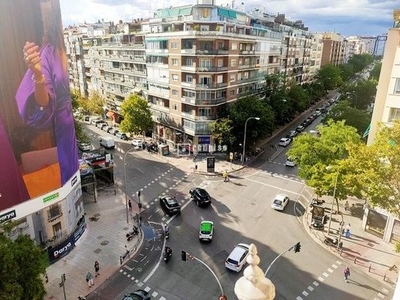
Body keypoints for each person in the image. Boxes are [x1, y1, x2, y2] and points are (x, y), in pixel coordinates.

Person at [15, 0, 78, 194]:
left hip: (74, 133)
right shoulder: (48, 53)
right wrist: (38, 75)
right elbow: (43, 106)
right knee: (69, 187)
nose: (46, 7)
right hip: (64, 134)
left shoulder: (70, 49)